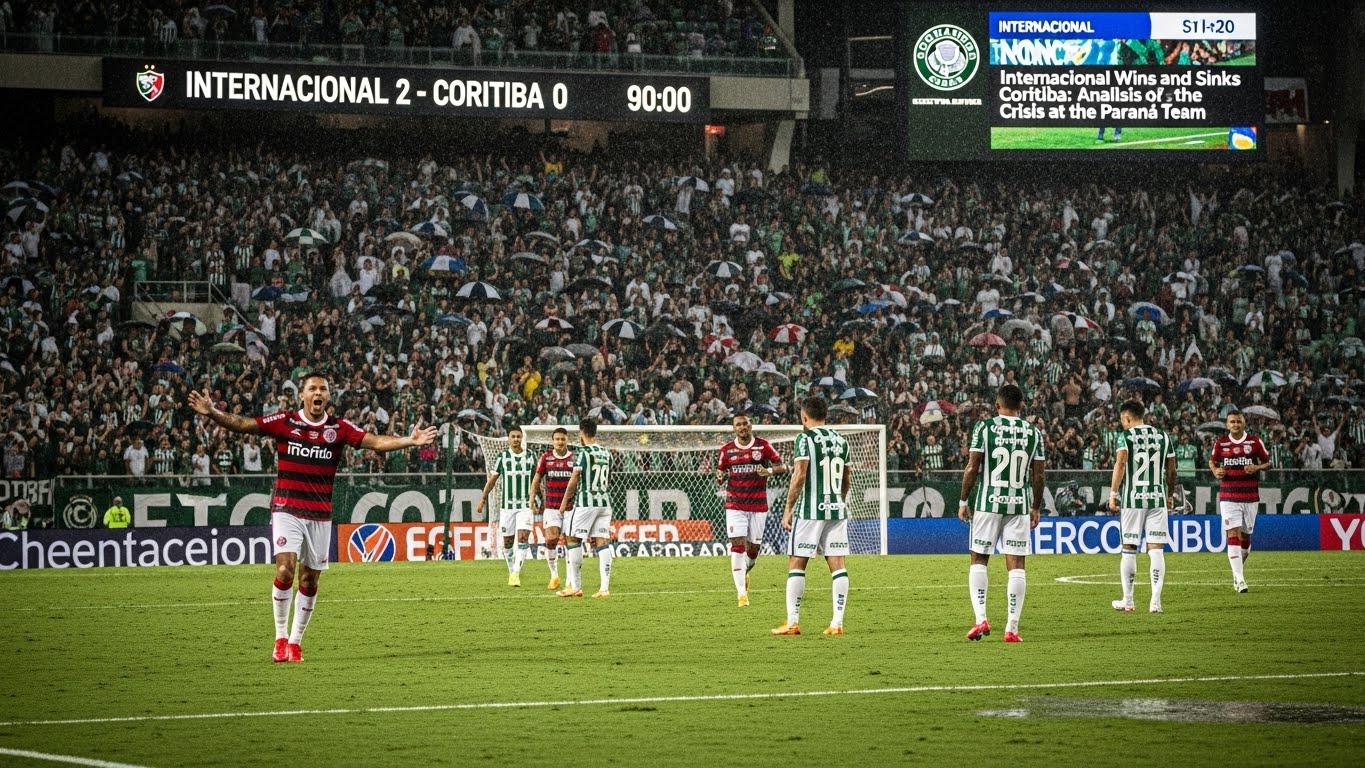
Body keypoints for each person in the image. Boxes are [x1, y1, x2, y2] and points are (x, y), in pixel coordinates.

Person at [188, 371, 436, 664]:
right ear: (302, 395)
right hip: (287, 508)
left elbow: (374, 442)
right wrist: (213, 412)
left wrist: (409, 440)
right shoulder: (285, 422)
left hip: (319, 515)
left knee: (309, 582)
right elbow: (244, 424)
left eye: (323, 389)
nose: (318, 393)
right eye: (313, 389)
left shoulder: (338, 428)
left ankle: (295, 643)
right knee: (285, 570)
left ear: (328, 396)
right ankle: (280, 638)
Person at [958, 383, 1046, 643]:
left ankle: (980, 618)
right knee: (1016, 565)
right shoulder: (1033, 433)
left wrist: (963, 499)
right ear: (1021, 406)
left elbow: (972, 467)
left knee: (979, 559)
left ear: (997, 405)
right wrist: (1036, 507)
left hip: (988, 504)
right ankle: (1012, 628)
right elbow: (1039, 475)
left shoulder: (984, 428)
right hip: (1018, 505)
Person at [772, 396, 851, 636]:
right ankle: (837, 623)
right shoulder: (841, 441)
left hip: (810, 509)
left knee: (797, 562)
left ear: (804, 416)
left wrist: (788, 508)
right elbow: (846, 480)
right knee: (837, 564)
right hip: (836, 508)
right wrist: (839, 500)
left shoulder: (804, 438)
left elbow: (800, 474)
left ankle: (793, 622)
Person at [1107, 400, 1177, 613]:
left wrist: (1113, 494)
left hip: (1132, 499)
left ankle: (1128, 601)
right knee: (1156, 549)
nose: (1123, 424)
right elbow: (1172, 470)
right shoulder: (1163, 436)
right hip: (1157, 498)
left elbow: (1120, 464)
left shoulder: (1126, 437)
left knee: (1129, 548)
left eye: (1123, 420)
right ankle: (1155, 601)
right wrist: (1170, 494)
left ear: (1127, 418)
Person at [716, 412, 786, 607]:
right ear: (734, 429)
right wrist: (720, 477)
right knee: (737, 547)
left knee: (753, 552)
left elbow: (783, 467)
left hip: (758, 506)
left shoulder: (763, 446)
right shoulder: (726, 451)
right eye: (738, 425)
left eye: (745, 424)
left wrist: (769, 471)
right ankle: (741, 595)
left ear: (750, 425)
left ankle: (745, 572)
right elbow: (720, 473)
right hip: (735, 505)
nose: (742, 427)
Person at [1209, 409, 1270, 593]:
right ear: (1227, 424)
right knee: (1232, 533)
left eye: (1238, 421)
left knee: (1246, 536)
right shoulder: (1221, 443)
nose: (1235, 424)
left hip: (1250, 495)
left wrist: (1257, 467)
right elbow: (1212, 461)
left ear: (1244, 423)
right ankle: (1239, 579)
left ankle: (1238, 570)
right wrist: (1215, 471)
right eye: (1232, 422)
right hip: (1228, 494)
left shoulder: (1254, 441)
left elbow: (1268, 462)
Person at [557, 418, 614, 598]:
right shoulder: (606, 453)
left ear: (582, 432)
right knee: (602, 542)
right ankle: (604, 588)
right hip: (604, 501)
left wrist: (564, 501)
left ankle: (576, 586)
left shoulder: (582, 452)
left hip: (586, 501)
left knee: (572, 539)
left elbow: (574, 479)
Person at [474, 425, 536, 587]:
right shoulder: (502, 457)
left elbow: (536, 481)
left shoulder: (531, 456)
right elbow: (492, 480)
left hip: (525, 505)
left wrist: (539, 499)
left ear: (522, 438)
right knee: (508, 544)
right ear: (508, 438)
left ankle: (516, 573)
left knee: (523, 538)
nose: (516, 439)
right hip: (507, 506)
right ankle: (512, 571)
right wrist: (483, 498)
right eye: (513, 436)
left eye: (518, 436)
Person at [529, 427, 574, 590]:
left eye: (563, 439)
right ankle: (554, 575)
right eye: (557, 439)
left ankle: (570, 580)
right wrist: (532, 498)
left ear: (567, 440)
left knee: (571, 543)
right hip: (552, 507)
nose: (560, 442)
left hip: (570, 508)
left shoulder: (574, 458)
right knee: (551, 540)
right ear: (552, 441)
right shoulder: (546, 458)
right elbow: (536, 479)